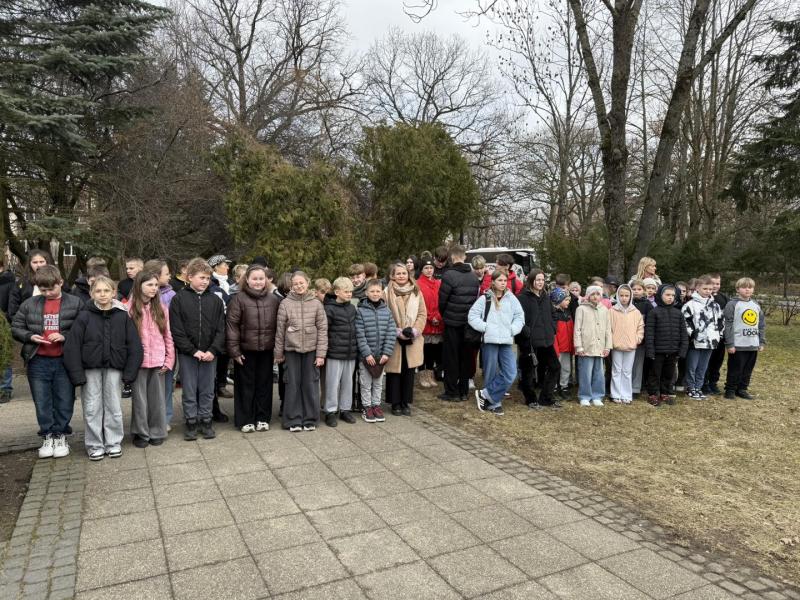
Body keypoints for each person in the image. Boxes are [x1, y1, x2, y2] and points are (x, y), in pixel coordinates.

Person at [63, 276, 141, 460]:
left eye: (106, 290)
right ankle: (95, 444)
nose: (103, 294)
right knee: (92, 407)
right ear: (91, 294)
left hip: (114, 368)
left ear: (113, 292)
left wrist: (130, 373)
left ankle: (113, 442)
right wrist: (77, 375)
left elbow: (134, 346)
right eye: (98, 291)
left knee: (114, 406)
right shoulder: (84, 316)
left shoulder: (122, 316)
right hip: (90, 370)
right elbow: (72, 346)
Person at [11, 265, 84, 459]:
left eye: (51, 289)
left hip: (63, 360)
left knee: (64, 399)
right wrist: (30, 336)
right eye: (43, 290)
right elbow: (16, 326)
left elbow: (83, 328)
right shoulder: (29, 304)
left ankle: (60, 435)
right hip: (38, 359)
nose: (48, 293)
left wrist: (64, 336)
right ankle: (47, 435)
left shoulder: (75, 303)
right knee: (42, 400)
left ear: (60, 282)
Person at [169, 258, 227, 441]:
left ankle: (206, 420)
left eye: (208, 278)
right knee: (190, 389)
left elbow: (221, 329)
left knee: (208, 389)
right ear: (190, 277)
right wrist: (192, 350)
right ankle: (191, 421)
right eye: (201, 277)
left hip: (210, 354)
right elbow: (177, 330)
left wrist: (213, 350)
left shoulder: (215, 301)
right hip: (189, 354)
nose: (205, 281)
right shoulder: (179, 299)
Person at [226, 265, 281, 432]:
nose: (258, 282)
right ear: (247, 280)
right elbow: (232, 326)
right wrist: (234, 351)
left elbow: (279, 326)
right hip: (245, 351)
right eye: (254, 279)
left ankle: (262, 418)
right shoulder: (238, 299)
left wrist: (277, 350)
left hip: (266, 350)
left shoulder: (273, 300)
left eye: (261, 279)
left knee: (264, 385)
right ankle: (245, 419)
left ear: (266, 280)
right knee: (245, 385)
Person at [274, 271, 327, 432]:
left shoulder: (317, 303)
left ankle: (310, 418)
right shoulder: (285, 303)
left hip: (312, 350)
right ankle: (293, 419)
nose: (298, 286)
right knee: (292, 384)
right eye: (295, 283)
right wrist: (278, 353)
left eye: (301, 282)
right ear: (291, 286)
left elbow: (323, 329)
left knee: (310, 384)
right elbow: (280, 330)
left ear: (307, 282)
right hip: (292, 350)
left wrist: (320, 354)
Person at [126, 271, 174, 447]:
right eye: (150, 285)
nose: (154, 288)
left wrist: (169, 360)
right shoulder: (129, 309)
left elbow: (168, 336)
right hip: (138, 362)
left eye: (156, 285)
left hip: (158, 360)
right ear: (139, 286)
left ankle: (156, 430)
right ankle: (141, 432)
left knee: (157, 399)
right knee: (139, 400)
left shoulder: (161, 309)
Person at [470, 271, 524, 416]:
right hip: (490, 341)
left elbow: (520, 316)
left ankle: (485, 394)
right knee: (491, 372)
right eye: (499, 280)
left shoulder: (511, 298)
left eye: (505, 280)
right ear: (493, 282)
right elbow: (472, 316)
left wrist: (512, 330)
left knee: (511, 372)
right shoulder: (485, 298)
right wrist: (485, 328)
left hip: (506, 341)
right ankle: (493, 403)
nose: (503, 283)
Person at [384, 263, 426, 416]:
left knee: (408, 371)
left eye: (404, 273)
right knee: (394, 371)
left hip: (412, 338)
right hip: (393, 337)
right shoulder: (386, 293)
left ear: (409, 275)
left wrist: (415, 330)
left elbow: (422, 314)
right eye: (398, 273)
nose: (401, 276)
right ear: (392, 276)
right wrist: (396, 331)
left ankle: (405, 402)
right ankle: (395, 403)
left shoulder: (416, 292)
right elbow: (384, 314)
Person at [438, 245, 479, 401]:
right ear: (464, 257)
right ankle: (463, 391)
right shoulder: (473, 277)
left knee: (451, 358)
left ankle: (451, 391)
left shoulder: (449, 276)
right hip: (468, 324)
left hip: (452, 323)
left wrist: (446, 315)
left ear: (452, 257)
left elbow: (442, 301)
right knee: (465, 358)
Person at [517, 270, 560, 409]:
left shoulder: (546, 297)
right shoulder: (522, 298)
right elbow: (517, 318)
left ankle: (546, 397)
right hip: (529, 341)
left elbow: (553, 315)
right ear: (531, 281)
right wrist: (525, 332)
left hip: (546, 340)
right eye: (537, 279)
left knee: (555, 367)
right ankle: (530, 399)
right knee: (528, 371)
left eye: (542, 279)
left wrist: (552, 328)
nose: (540, 282)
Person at [143, 259, 178, 430]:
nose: (170, 275)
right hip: (145, 354)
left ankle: (164, 418)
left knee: (166, 387)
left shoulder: (171, 296)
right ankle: (149, 419)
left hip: (164, 351)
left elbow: (170, 329)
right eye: (166, 273)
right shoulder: (138, 299)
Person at [355, 279, 396, 423]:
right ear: (366, 292)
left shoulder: (387, 311)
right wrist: (367, 354)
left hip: (381, 356)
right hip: (367, 357)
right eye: (372, 291)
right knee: (366, 383)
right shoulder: (360, 311)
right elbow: (359, 334)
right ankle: (366, 407)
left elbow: (391, 333)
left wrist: (386, 353)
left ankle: (376, 405)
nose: (375, 294)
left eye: (378, 291)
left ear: (381, 292)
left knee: (378, 383)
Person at [322, 277, 359, 426]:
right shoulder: (329, 309)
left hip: (350, 352)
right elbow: (325, 331)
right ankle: (330, 411)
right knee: (332, 383)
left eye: (351, 292)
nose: (350, 294)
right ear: (337, 292)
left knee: (348, 382)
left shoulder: (352, 308)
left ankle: (345, 409)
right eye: (346, 291)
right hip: (335, 352)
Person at [645, 284, 688, 407]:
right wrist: (650, 351)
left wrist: (682, 349)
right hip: (658, 351)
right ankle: (653, 394)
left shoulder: (678, 313)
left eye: (673, 295)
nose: (670, 297)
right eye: (667, 295)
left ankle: (665, 392)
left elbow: (683, 333)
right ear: (660, 295)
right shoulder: (654, 313)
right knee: (655, 373)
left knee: (668, 373)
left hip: (673, 350)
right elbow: (649, 333)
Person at [682, 275, 724, 400]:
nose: (708, 291)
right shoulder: (690, 305)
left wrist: (718, 334)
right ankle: (690, 387)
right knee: (692, 366)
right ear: (697, 288)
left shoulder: (715, 306)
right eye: (705, 288)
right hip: (696, 341)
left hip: (711, 341)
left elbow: (721, 321)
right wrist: (692, 333)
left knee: (703, 366)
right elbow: (685, 321)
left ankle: (698, 387)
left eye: (710, 289)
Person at [723, 277, 765, 400]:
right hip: (738, 344)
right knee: (735, 368)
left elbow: (761, 324)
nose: (747, 289)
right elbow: (728, 324)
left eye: (750, 287)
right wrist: (729, 344)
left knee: (747, 369)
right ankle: (730, 389)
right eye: (744, 287)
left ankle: (742, 389)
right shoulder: (732, 304)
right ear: (737, 289)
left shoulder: (755, 305)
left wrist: (761, 341)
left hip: (752, 344)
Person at [574, 285, 613, 407]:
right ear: (588, 295)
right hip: (586, 347)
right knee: (585, 372)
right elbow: (577, 329)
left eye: (598, 294)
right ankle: (585, 396)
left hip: (600, 346)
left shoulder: (604, 310)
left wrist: (607, 346)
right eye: (592, 294)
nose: (595, 297)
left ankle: (597, 395)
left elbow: (608, 330)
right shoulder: (581, 309)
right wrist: (579, 346)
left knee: (599, 373)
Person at [609, 284, 644, 404]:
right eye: (621, 295)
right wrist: (611, 341)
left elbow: (640, 327)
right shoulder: (612, 311)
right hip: (616, 345)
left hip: (631, 346)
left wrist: (637, 339)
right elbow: (608, 328)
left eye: (627, 296)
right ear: (618, 296)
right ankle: (615, 394)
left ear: (630, 296)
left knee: (627, 371)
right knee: (616, 370)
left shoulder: (636, 312)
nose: (624, 298)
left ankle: (626, 394)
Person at [417, 258, 444, 388]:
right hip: (425, 322)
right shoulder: (418, 284)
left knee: (433, 350)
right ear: (421, 270)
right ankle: (422, 374)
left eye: (431, 268)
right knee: (424, 349)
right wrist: (429, 317)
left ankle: (430, 374)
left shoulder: (438, 283)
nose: (429, 270)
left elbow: (442, 301)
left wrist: (437, 316)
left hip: (437, 322)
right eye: (426, 268)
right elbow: (419, 304)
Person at [703, 273, 729, 395]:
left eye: (717, 283)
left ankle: (713, 382)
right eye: (712, 283)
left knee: (717, 361)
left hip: (721, 336)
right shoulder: (705, 298)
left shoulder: (723, 298)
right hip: (708, 336)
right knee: (707, 360)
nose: (715, 286)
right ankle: (704, 383)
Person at [9, 249, 54, 318]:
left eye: (41, 262)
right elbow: (13, 308)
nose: (38, 265)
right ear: (30, 264)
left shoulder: (56, 280)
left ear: (47, 262)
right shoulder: (22, 283)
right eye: (35, 262)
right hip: (27, 323)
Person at [551, 288, 574, 398]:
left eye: (569, 300)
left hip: (566, 347)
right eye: (566, 300)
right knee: (555, 367)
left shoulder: (568, 313)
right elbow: (554, 332)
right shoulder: (554, 314)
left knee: (566, 368)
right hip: (557, 347)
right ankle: (553, 386)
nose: (568, 302)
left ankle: (564, 386)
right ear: (558, 300)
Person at [0, 256, 16, 403]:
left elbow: (11, 307)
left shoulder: (9, 283)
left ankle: (5, 389)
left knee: (4, 357)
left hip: (3, 325)